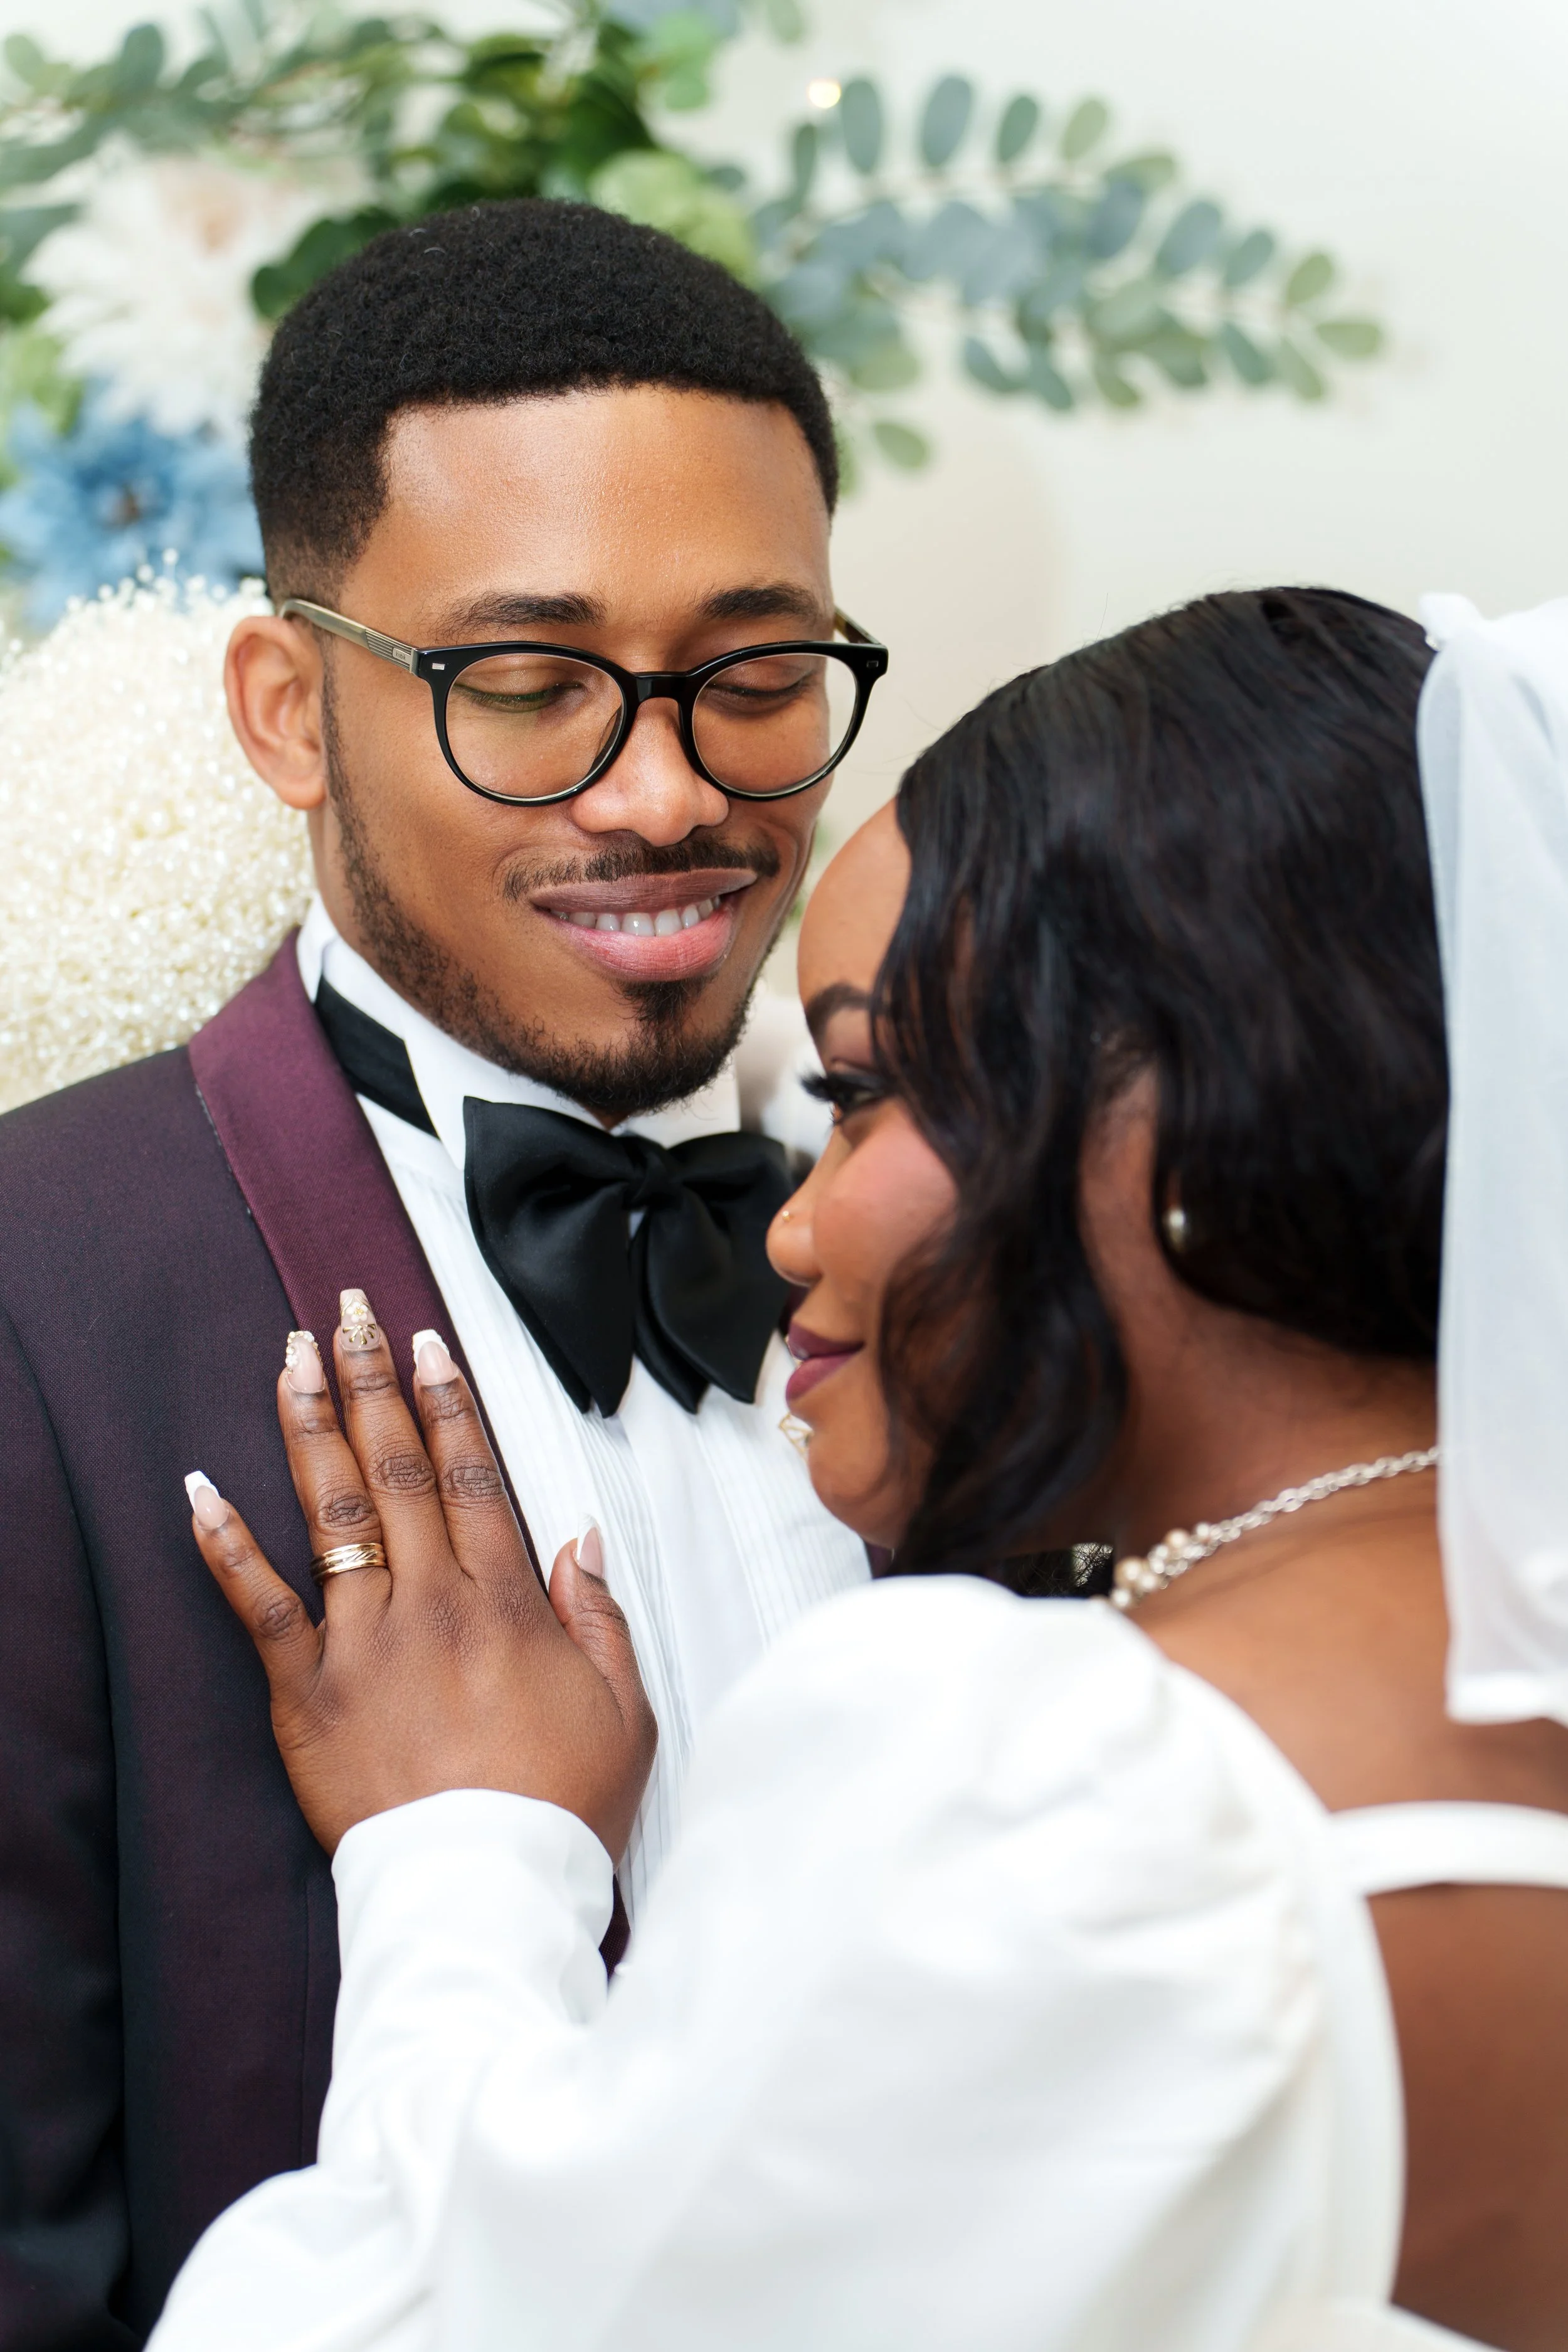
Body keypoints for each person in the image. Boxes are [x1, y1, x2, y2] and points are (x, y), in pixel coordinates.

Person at [149, 586, 1568, 2351]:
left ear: (1188, 1112)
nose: (791, 1225)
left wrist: (466, 1848)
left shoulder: (1055, 1788)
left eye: (859, 1093)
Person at [0, 199, 886, 2348]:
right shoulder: (43, 1293)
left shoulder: (972, 1222)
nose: (663, 793)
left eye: (755, 677)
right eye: (528, 685)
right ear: (288, 711)